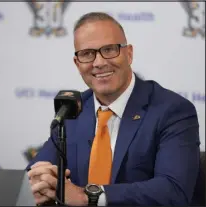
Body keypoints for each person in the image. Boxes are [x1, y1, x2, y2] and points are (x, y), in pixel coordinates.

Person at [26, 12, 201, 206]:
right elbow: (35, 172)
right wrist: (41, 181)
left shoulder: (172, 110)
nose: (99, 62)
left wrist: (87, 196)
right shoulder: (71, 110)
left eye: (109, 50)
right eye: (87, 54)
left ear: (129, 54)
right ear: (77, 63)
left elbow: (173, 191)